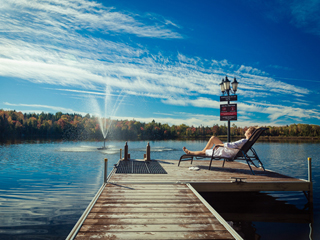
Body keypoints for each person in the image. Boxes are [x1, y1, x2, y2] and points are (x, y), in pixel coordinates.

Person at [182, 126, 257, 158]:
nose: (245, 130)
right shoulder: (247, 141)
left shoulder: (244, 140)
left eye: (247, 130)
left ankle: (190, 153)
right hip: (231, 151)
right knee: (213, 138)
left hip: (226, 152)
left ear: (249, 134)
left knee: (204, 152)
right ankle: (191, 152)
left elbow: (232, 145)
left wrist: (220, 145)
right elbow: (233, 146)